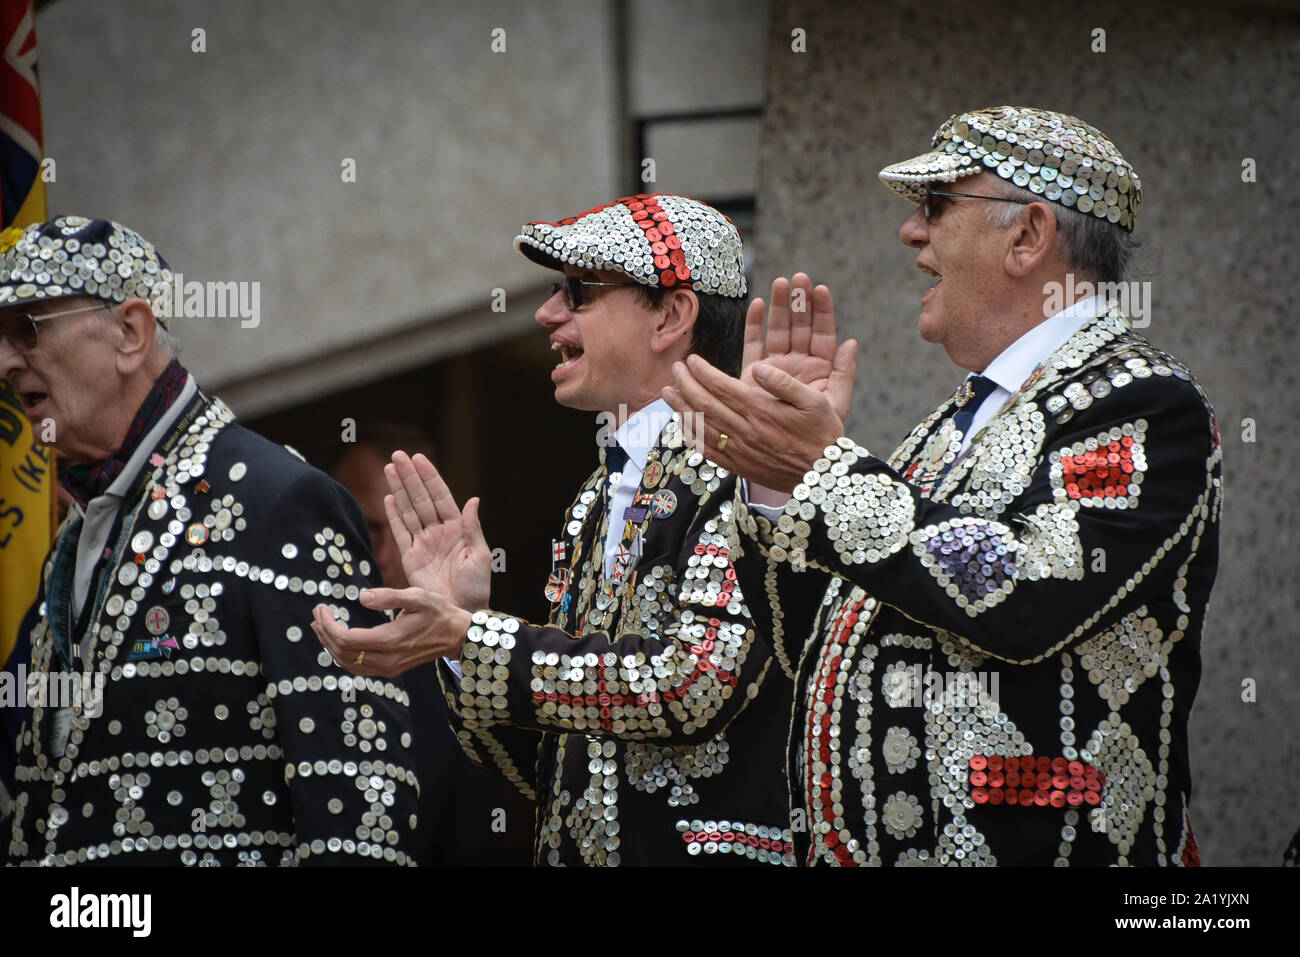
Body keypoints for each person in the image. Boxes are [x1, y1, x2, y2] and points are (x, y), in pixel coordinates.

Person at [665, 106, 1221, 866]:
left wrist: (825, 470)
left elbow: (1032, 590)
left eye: (934, 206)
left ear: (1027, 237)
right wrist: (777, 483)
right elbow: (819, 646)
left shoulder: (1146, 401)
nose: (911, 234)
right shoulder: (951, 422)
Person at [315, 193, 832, 866]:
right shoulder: (598, 492)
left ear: (672, 316)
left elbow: (693, 682)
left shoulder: (743, 464)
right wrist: (459, 627)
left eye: (580, 291)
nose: (548, 313)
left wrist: (474, 638)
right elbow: (564, 760)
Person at [0, 216, 418, 865]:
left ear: (131, 334)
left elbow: (358, 806)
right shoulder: (76, 534)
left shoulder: (280, 501)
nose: (4, 359)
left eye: (28, 327)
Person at [331, 426, 531, 865]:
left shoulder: (456, 673)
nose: (375, 553)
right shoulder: (293, 640)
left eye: (393, 532)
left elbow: (473, 834)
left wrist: (463, 640)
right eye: (358, 531)